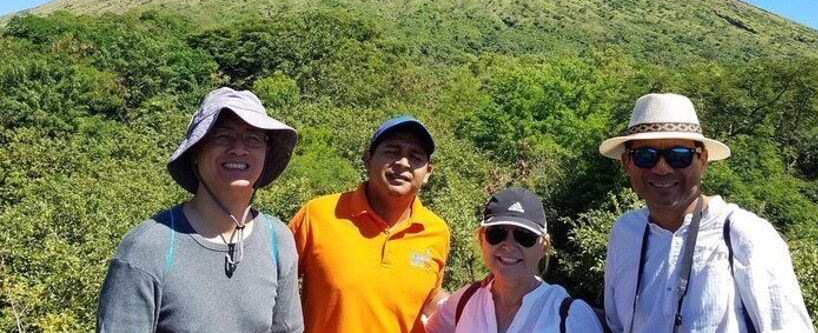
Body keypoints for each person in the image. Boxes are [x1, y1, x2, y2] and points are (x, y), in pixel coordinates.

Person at [600, 93, 813, 332]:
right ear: (626, 164)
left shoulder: (744, 234)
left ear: (702, 160)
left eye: (678, 156)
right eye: (645, 156)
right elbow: (615, 324)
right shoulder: (625, 232)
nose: (661, 167)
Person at [97, 87, 303, 333]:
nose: (239, 148)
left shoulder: (276, 239)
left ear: (266, 153)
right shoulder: (149, 247)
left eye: (254, 138)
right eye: (223, 136)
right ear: (196, 151)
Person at [289, 116, 450, 333]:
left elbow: (427, 300)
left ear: (427, 173)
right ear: (368, 159)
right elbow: (271, 287)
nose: (403, 163)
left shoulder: (436, 232)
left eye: (415, 157)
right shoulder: (318, 214)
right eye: (392, 151)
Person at [425, 187, 605, 333]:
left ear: (543, 246)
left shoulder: (567, 315)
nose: (509, 245)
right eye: (497, 234)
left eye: (524, 236)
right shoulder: (464, 301)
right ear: (482, 240)